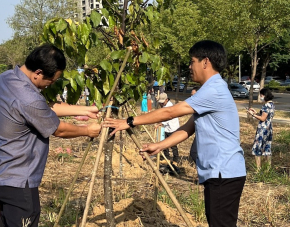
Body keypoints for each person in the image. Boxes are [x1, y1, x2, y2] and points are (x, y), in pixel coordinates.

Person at [104, 40, 246, 227]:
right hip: (220, 172)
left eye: (192, 61)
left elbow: (170, 112)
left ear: (205, 62)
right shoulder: (211, 90)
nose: (189, 66)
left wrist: (130, 121)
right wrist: (160, 145)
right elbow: (189, 128)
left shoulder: (214, 90)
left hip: (224, 172)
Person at [0, 43, 101, 227]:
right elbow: (58, 129)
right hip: (19, 179)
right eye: (51, 80)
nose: (51, 85)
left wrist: (86, 109)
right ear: (38, 73)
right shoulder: (29, 99)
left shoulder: (6, 78)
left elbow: (42, 107)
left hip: (0, 173)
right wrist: (87, 130)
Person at [247, 88, 275, 170]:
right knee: (267, 148)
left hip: (263, 129)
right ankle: (268, 169)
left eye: (261, 95)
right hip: (269, 128)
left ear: (265, 96)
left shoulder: (266, 105)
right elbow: (266, 116)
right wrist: (256, 113)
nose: (261, 97)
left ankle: (258, 170)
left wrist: (252, 115)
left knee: (257, 148)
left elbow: (263, 118)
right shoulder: (272, 104)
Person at [156, 92, 181, 174]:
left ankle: (175, 160)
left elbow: (169, 118)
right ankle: (166, 157)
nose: (161, 104)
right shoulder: (164, 106)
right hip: (166, 128)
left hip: (173, 128)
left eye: (162, 102)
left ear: (166, 100)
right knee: (164, 142)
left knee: (173, 145)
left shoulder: (170, 106)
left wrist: (161, 123)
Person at [189, 86, 200, 164]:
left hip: (210, 136)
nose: (191, 97)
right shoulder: (195, 108)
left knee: (194, 153)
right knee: (194, 153)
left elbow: (170, 112)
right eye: (191, 95)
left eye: (194, 95)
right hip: (200, 134)